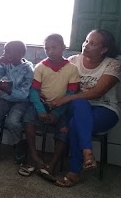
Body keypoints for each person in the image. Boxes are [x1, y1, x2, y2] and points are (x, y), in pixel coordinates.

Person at [51, 30, 121, 187]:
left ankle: (75, 170)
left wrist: (67, 98)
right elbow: (55, 79)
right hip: (77, 108)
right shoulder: (73, 61)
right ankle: (87, 154)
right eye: (86, 41)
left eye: (92, 43)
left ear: (103, 49)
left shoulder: (112, 64)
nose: (86, 45)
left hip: (105, 110)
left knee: (75, 123)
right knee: (79, 104)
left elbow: (97, 93)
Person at [23, 34, 79, 178]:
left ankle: (52, 164)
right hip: (42, 104)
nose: (50, 51)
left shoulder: (72, 69)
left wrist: (58, 112)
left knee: (64, 128)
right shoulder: (41, 67)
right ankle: (35, 158)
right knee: (28, 119)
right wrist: (41, 110)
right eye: (47, 48)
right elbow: (34, 91)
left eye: (54, 47)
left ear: (63, 48)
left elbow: (71, 92)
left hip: (61, 106)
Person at [0, 41, 34, 165]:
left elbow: (24, 94)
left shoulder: (28, 69)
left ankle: (19, 146)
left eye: (8, 52)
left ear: (21, 54)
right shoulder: (7, 64)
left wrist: (7, 89)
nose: (5, 54)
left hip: (22, 101)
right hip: (7, 99)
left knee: (12, 121)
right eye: (4, 51)